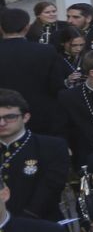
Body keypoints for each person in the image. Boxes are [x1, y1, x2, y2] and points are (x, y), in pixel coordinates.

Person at [0, 8, 74, 138]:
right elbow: (56, 85)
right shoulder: (45, 51)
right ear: (27, 27)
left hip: (4, 119)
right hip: (42, 117)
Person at [0, 90, 70, 224]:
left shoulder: (51, 146)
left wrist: (22, 221)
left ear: (25, 117)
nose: (2, 123)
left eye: (10, 117)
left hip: (40, 225)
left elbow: (51, 188)